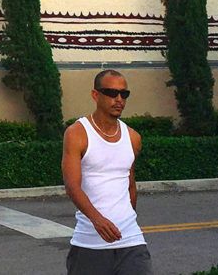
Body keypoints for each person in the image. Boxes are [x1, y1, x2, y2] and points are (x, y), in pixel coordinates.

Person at [62, 69, 151, 274]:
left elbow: (130, 184)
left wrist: (129, 219)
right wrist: (98, 220)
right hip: (89, 243)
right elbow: (72, 186)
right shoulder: (77, 133)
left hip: (131, 241)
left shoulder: (133, 137)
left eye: (124, 94)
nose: (119, 99)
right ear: (95, 95)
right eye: (111, 93)